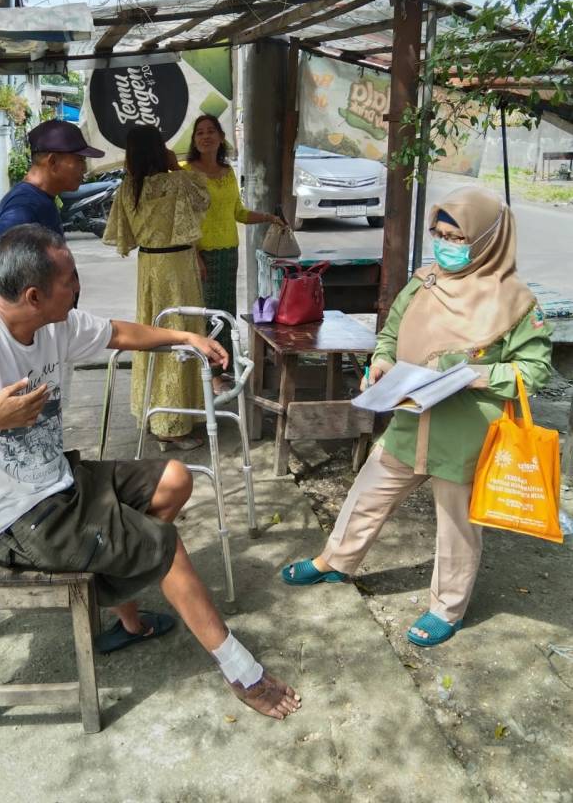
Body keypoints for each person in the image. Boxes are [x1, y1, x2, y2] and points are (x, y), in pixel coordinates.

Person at [0, 224, 301, 721]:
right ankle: (242, 672)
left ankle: (118, 605)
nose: (78, 285)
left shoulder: (53, 325)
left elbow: (117, 332)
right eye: (70, 278)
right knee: (161, 543)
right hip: (17, 520)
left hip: (59, 484)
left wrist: (186, 336)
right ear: (34, 295)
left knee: (176, 478)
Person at [281, 187, 553, 647]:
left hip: (466, 434)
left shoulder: (516, 303)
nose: (445, 244)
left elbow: (536, 370)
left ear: (487, 239)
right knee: (367, 493)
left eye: (457, 236)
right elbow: (390, 334)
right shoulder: (424, 281)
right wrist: (382, 363)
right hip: (409, 419)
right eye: (438, 233)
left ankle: (447, 608)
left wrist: (474, 373)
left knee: (457, 527)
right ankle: (335, 560)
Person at [104, 124, 210, 452]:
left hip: (149, 266)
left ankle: (153, 414)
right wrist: (173, 163)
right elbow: (203, 198)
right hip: (176, 268)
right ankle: (173, 426)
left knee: (152, 336)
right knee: (180, 334)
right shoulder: (176, 180)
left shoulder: (128, 187)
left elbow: (124, 235)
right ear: (158, 148)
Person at [185, 114, 285, 392]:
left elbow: (238, 213)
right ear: (194, 140)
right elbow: (186, 219)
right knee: (208, 314)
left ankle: (221, 367)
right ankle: (212, 375)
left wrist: (268, 217)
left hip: (229, 253)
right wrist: (195, 256)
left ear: (221, 137)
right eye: (200, 133)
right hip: (202, 254)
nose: (205, 137)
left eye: (210, 131)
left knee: (225, 312)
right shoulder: (187, 172)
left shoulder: (227, 172)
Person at [0, 119, 104, 290]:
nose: (83, 168)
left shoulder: (42, 198)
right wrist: (22, 312)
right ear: (52, 162)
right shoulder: (24, 205)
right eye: (79, 160)